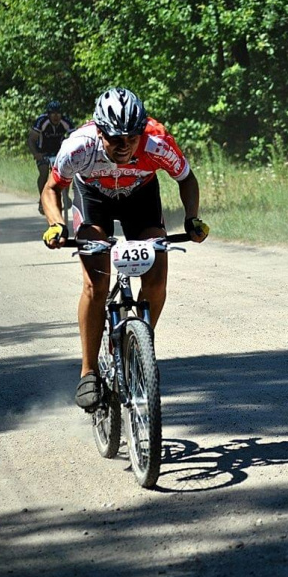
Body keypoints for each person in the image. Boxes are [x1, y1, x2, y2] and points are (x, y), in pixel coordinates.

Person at [40, 87, 209, 412]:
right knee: (96, 283)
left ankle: (139, 350)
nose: (124, 145)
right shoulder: (78, 146)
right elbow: (52, 188)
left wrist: (191, 219)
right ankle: (88, 371)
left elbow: (187, 179)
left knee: (157, 272)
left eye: (131, 137)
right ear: (99, 131)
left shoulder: (157, 141)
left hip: (140, 199)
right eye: (115, 138)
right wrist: (56, 224)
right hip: (93, 199)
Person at [28, 100, 75, 214]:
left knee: (66, 171)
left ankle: (66, 196)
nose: (56, 116)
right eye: (53, 113)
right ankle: (42, 200)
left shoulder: (66, 121)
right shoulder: (41, 121)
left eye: (58, 113)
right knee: (44, 172)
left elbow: (74, 138)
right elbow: (31, 140)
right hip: (43, 151)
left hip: (59, 151)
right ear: (48, 114)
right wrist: (36, 154)